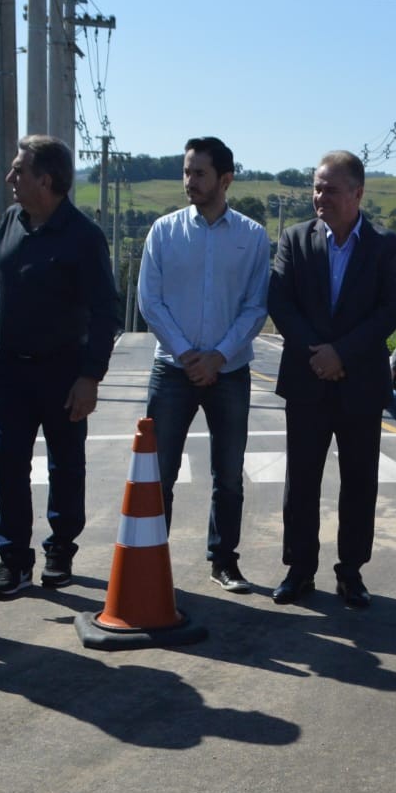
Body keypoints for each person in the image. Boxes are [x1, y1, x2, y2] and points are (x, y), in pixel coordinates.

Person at [0, 135, 120, 599]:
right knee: (8, 465)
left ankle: (60, 550)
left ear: (45, 180)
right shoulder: (11, 220)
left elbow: (105, 311)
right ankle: (13, 560)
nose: (9, 178)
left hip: (65, 371)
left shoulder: (83, 237)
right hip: (12, 371)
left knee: (66, 465)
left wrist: (90, 376)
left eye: (18, 171)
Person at [268, 150, 396, 608]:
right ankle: (299, 569)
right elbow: (281, 302)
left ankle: (351, 572)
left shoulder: (386, 246)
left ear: (357, 193)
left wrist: (341, 353)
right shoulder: (294, 239)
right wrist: (319, 354)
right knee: (302, 479)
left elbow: (390, 309)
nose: (318, 196)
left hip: (359, 381)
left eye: (329, 188)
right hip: (308, 379)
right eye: (316, 187)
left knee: (359, 480)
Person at [138, 137, 270, 594]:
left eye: (199, 173)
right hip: (172, 371)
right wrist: (187, 354)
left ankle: (224, 560)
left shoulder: (252, 237)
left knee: (229, 475)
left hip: (229, 373)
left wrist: (218, 356)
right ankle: (151, 564)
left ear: (225, 180)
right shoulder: (163, 231)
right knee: (159, 475)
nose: (189, 181)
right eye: (186, 171)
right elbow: (149, 302)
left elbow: (256, 307)